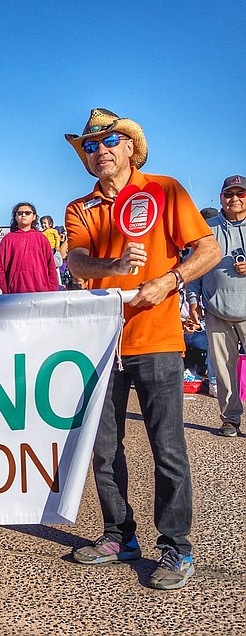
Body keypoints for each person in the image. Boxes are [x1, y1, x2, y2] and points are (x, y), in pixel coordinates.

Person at [63, 108, 220, 590]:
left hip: (157, 339)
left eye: (109, 141)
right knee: (104, 449)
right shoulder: (80, 207)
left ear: (130, 146)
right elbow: (75, 261)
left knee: (167, 447)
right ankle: (118, 535)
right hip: (102, 344)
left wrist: (169, 280)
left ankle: (176, 548)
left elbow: (208, 249)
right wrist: (112, 267)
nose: (100, 151)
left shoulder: (166, 189)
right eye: (90, 146)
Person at [186, 175, 246, 437]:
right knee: (222, 369)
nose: (234, 199)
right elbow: (193, 269)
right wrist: (192, 301)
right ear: (221, 197)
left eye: (240, 194)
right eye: (229, 194)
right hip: (216, 311)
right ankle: (230, 419)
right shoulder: (205, 229)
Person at [0, 202, 59, 294]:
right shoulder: (7, 239)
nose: (24, 215)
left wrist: (53, 291)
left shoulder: (42, 238)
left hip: (42, 293)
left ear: (34, 216)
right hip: (14, 294)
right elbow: (0, 268)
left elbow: (51, 267)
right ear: (15, 216)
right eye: (20, 213)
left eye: (27, 213)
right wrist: (5, 292)